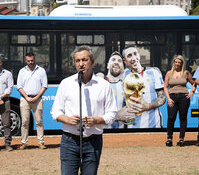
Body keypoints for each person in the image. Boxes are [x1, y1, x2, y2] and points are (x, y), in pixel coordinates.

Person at [51, 45, 117, 175]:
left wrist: (96, 120)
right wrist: (68, 120)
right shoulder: (66, 83)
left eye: (84, 60)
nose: (81, 64)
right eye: (77, 61)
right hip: (69, 141)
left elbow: (112, 113)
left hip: (93, 140)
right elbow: (55, 112)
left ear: (92, 62)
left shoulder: (103, 85)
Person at [122, 46, 166, 128]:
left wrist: (149, 106)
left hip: (154, 125)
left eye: (135, 54)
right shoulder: (124, 75)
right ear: (125, 61)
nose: (133, 58)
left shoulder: (154, 72)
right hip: (132, 127)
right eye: (129, 55)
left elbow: (162, 98)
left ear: (138, 55)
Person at [17, 52, 48, 150]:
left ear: (34, 60)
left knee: (39, 121)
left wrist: (36, 97)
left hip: (37, 99)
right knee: (25, 122)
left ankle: (41, 142)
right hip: (25, 99)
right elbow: (19, 87)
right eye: (28, 61)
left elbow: (44, 86)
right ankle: (24, 143)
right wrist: (27, 97)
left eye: (32, 60)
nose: (30, 62)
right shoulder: (22, 71)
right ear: (26, 61)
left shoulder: (41, 71)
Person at [164, 55, 195, 147]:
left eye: (179, 62)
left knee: (183, 118)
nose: (177, 64)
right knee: (171, 118)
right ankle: (169, 139)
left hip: (183, 98)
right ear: (174, 63)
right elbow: (165, 87)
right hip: (172, 97)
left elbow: (194, 83)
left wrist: (191, 93)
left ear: (182, 63)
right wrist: (168, 98)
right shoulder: (169, 73)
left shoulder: (186, 73)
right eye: (176, 62)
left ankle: (181, 139)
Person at [105, 51, 135, 128]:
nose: (116, 62)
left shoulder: (126, 86)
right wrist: (117, 116)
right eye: (113, 60)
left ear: (123, 67)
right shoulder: (100, 83)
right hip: (102, 134)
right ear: (108, 65)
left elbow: (130, 118)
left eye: (119, 61)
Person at [0, 55, 14, 151]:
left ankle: (8, 144)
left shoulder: (8, 74)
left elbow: (10, 88)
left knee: (6, 123)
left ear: (2, 63)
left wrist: (0, 97)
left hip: (5, 101)